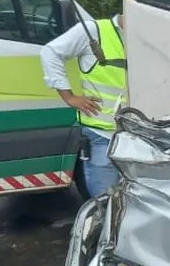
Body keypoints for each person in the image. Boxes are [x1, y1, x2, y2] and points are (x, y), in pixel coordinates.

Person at [40, 12, 126, 196]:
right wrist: (69, 97)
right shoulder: (94, 31)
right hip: (104, 135)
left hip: (140, 137)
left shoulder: (145, 38)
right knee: (105, 201)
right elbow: (50, 53)